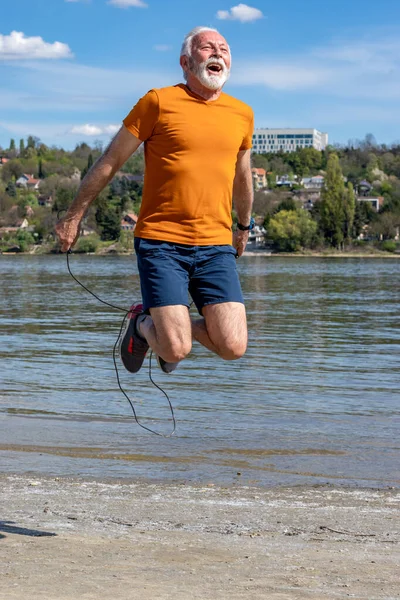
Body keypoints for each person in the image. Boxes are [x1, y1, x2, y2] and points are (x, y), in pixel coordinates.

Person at [55, 26, 254, 376]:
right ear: (186, 61)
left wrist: (243, 226)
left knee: (233, 346)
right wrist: (73, 216)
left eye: (224, 49)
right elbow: (110, 161)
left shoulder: (242, 113)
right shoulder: (157, 102)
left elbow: (242, 176)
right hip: (162, 243)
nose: (218, 54)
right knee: (177, 349)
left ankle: (156, 323)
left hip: (216, 245)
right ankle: (145, 323)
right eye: (207, 48)